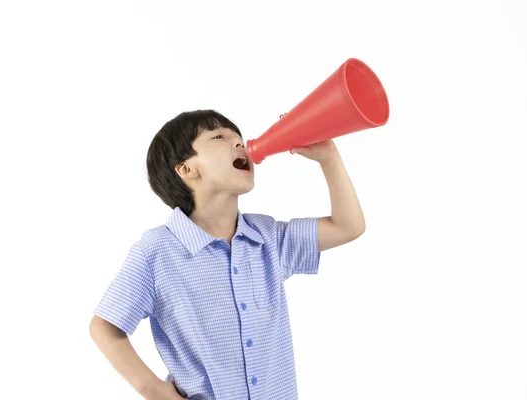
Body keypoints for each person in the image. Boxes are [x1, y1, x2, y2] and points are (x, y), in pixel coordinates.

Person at [89, 110, 365, 400]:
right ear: (185, 169)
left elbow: (349, 225)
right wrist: (155, 391)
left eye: (239, 138)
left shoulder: (268, 237)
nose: (239, 144)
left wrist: (329, 156)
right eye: (219, 137)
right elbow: (105, 327)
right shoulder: (157, 251)